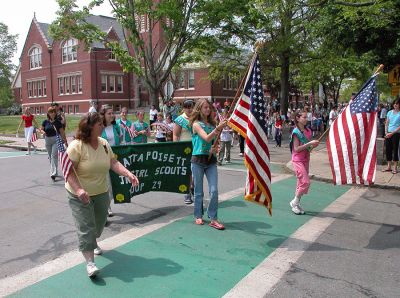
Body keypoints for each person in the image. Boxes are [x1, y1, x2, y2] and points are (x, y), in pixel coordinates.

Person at [65, 112, 139, 277]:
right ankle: (90, 263)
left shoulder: (104, 144)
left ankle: (93, 240)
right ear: (89, 127)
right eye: (100, 124)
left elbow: (113, 162)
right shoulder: (76, 146)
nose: (103, 126)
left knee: (98, 225)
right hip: (79, 194)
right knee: (86, 227)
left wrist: (127, 173)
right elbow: (68, 171)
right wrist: (78, 190)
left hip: (101, 192)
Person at [189, 98, 227, 230]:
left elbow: (213, 143)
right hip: (198, 160)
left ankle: (213, 218)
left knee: (214, 190)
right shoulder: (196, 124)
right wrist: (218, 128)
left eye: (209, 107)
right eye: (205, 107)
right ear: (199, 109)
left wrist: (215, 148)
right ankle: (198, 215)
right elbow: (205, 137)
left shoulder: (212, 124)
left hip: (211, 161)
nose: (208, 109)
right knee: (198, 192)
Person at [289, 110, 319, 215]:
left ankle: (296, 204)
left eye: (307, 117)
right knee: (305, 182)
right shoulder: (295, 132)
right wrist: (310, 143)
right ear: (298, 118)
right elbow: (296, 149)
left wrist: (312, 145)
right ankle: (294, 202)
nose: (307, 119)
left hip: (306, 158)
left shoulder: (308, 131)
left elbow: (308, 148)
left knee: (300, 183)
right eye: (304, 117)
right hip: (297, 160)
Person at [174, 99, 194, 205]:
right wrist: (176, 148)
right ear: (184, 108)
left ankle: (193, 187)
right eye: (187, 107)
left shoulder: (197, 118)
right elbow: (176, 135)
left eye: (191, 106)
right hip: (184, 148)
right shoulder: (180, 120)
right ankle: (187, 192)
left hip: (196, 147)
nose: (189, 109)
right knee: (187, 171)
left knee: (196, 170)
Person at [41, 106, 68, 181]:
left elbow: (62, 132)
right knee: (50, 156)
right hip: (47, 140)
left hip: (56, 140)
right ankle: (53, 169)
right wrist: (43, 132)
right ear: (48, 113)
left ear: (55, 113)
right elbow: (41, 129)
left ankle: (53, 173)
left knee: (54, 156)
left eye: (53, 112)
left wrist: (65, 141)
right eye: (51, 112)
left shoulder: (58, 122)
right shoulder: (45, 122)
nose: (52, 113)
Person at [383, 99, 400, 174]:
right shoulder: (389, 112)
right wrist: (386, 132)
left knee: (395, 150)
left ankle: (395, 168)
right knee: (388, 150)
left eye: (397, 103)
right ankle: (389, 167)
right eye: (394, 103)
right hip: (388, 133)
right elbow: (386, 123)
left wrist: (392, 133)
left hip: (396, 134)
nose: (395, 105)